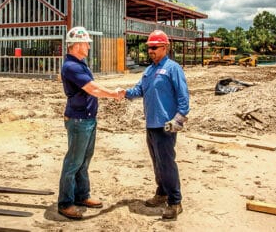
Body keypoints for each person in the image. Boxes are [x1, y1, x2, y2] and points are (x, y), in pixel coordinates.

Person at [57, 26, 125, 220]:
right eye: (86, 43)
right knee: (73, 162)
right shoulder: (71, 67)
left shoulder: (80, 63)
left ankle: (82, 195)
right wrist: (113, 94)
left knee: (84, 160)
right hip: (79, 120)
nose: (88, 46)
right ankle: (65, 203)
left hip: (87, 119)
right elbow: (92, 89)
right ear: (77, 44)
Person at [124, 30, 189, 219]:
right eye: (149, 48)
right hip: (151, 124)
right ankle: (161, 193)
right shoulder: (149, 70)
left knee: (167, 163)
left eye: (154, 47)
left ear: (165, 48)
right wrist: (124, 93)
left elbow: (183, 98)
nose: (150, 51)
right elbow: (139, 89)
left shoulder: (173, 68)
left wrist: (178, 120)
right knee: (157, 162)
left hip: (166, 125)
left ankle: (175, 202)